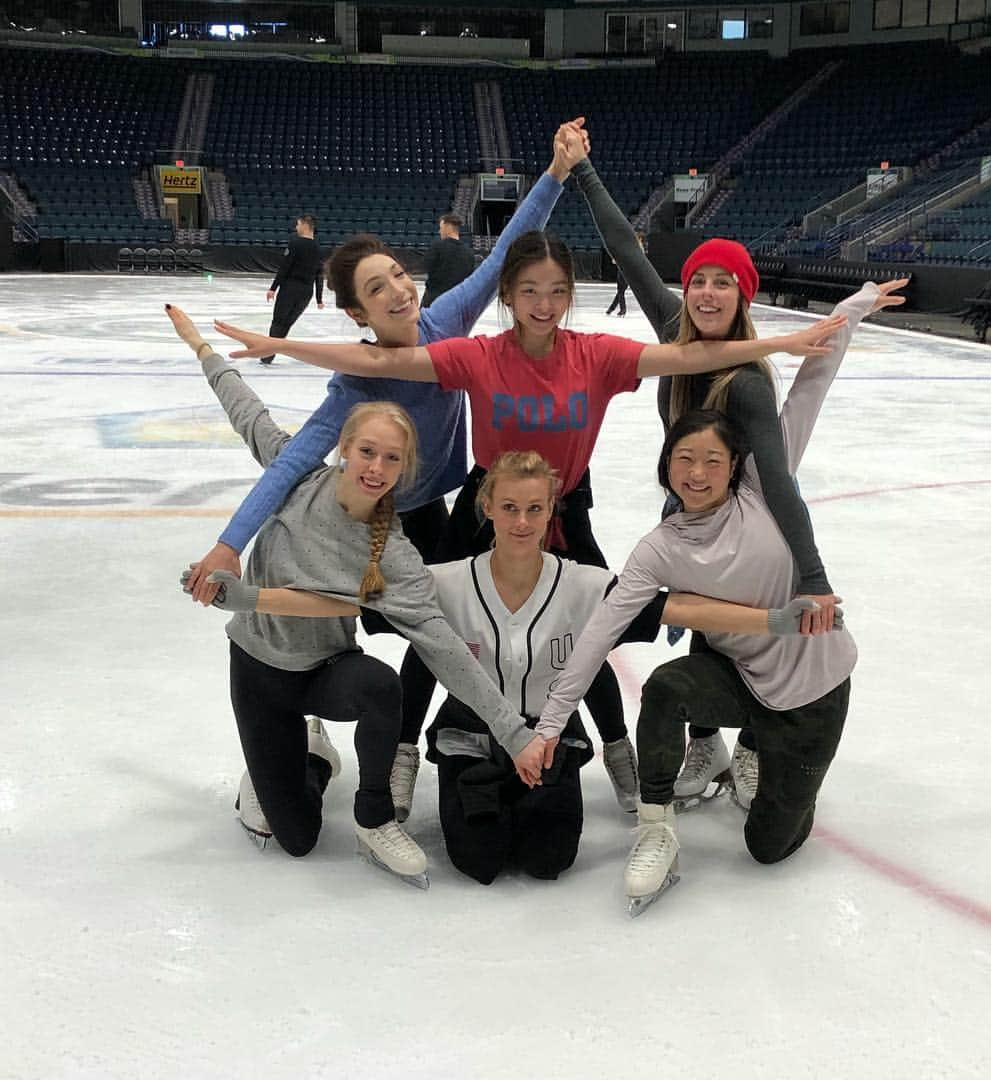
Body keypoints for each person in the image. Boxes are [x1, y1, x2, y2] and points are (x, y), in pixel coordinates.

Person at [211, 226, 847, 814]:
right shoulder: (479, 356)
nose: (544, 304)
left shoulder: (596, 354)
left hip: (563, 511)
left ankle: (618, 752)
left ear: (570, 295)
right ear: (509, 296)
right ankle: (405, 750)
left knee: (596, 625)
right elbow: (381, 363)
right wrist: (279, 345)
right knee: (434, 628)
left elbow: (686, 357)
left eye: (557, 291)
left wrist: (784, 343)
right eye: (529, 291)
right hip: (486, 513)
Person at [181, 122, 587, 821]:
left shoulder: (446, 319)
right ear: (355, 312)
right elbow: (283, 469)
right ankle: (349, 744)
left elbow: (500, 262)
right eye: (379, 288)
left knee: (457, 633)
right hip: (373, 522)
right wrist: (229, 545)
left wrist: (554, 173)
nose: (400, 291)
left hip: (440, 512)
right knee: (391, 634)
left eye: (399, 275)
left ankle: (445, 741)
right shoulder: (350, 392)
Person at [276, 450, 823, 884]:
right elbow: (346, 602)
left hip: (549, 740)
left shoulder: (582, 585)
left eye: (534, 508)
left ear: (551, 511)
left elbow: (674, 607)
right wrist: (251, 597)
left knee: (549, 862)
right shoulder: (441, 582)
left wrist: (776, 620)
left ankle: (579, 777)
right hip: (471, 737)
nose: (521, 521)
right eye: (509, 507)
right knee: (477, 863)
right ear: (486, 507)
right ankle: (322, 758)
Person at [531, 280, 905, 914]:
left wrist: (856, 304)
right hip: (743, 680)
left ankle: (776, 766)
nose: (697, 473)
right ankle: (656, 824)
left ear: (736, 464)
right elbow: (600, 634)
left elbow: (812, 385)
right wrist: (546, 726)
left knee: (769, 845)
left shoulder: (762, 489)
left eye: (711, 459)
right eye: (684, 459)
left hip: (813, 698)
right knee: (668, 686)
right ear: (666, 464)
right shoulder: (658, 549)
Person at [569, 134, 905, 810]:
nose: (708, 290)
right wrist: (582, 170)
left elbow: (779, 478)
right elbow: (628, 250)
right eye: (699, 278)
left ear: (743, 295)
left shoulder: (748, 383)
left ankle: (749, 743)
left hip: (748, 507)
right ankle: (705, 742)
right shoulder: (673, 332)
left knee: (748, 617)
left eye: (724, 281)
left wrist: (811, 573)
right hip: (690, 501)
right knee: (703, 619)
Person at [166, 304, 541, 889]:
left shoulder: (392, 553)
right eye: (367, 451)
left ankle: (372, 818)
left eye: (392, 458)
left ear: (405, 469)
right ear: (345, 447)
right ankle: (309, 757)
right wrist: (204, 351)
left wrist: (514, 734)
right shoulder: (294, 477)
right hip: (259, 672)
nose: (377, 466)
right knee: (296, 839)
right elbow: (246, 411)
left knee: (379, 684)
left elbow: (443, 648)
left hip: (324, 672)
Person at [262, 214, 324, 366]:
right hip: (306, 293)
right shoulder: (318, 247)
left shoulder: (295, 243)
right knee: (287, 324)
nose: (296, 227)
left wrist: (273, 288)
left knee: (278, 322)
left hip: (290, 288)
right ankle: (270, 353)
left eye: (297, 224)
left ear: (304, 224)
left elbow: (285, 267)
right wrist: (319, 298)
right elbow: (319, 274)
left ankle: (267, 355)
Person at [421, 213, 475, 308]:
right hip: (457, 303)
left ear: (448, 227)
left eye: (441, 228)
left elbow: (426, 266)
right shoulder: (469, 253)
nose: (439, 231)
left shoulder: (437, 246)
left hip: (434, 301)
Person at [604, 232, 642, 317]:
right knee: (620, 291)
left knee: (620, 291)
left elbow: (616, 260)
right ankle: (611, 309)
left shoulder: (629, 247)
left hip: (625, 270)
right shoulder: (636, 248)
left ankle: (622, 310)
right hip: (628, 271)